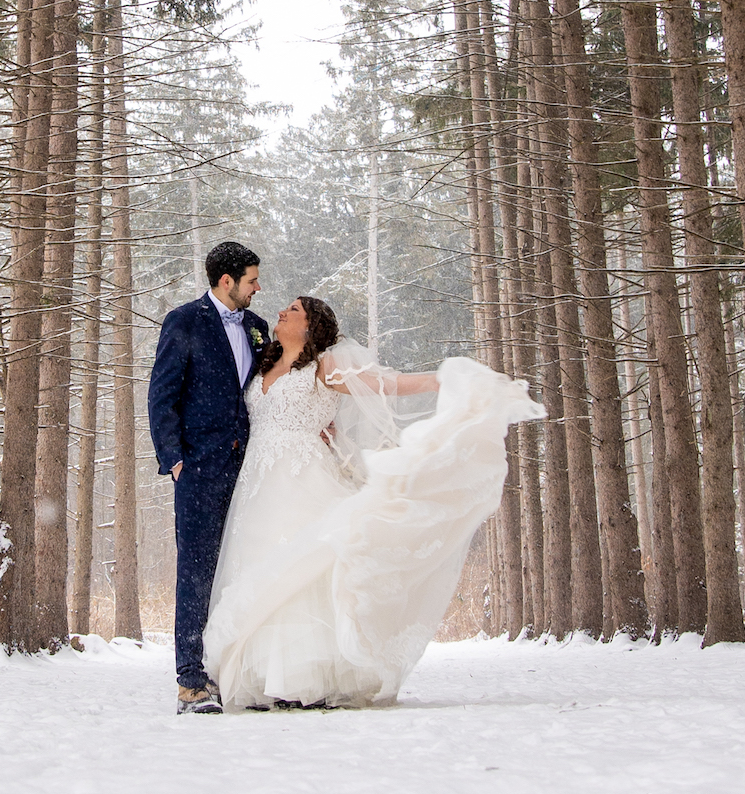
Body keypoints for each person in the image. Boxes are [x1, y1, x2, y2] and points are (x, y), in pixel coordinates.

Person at [203, 295, 544, 711]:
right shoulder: (261, 365)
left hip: (303, 476)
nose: (281, 312)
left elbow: (387, 383)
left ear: (311, 326)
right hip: (257, 482)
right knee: (258, 563)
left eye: (293, 310)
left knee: (305, 567)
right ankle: (262, 676)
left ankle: (309, 677)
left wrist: (442, 380)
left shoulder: (324, 367)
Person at [147, 240, 269, 714]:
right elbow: (162, 396)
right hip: (199, 471)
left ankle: (239, 674)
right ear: (226, 281)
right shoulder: (185, 321)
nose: (258, 288)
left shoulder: (258, 328)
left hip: (253, 470)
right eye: (252, 280)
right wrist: (176, 460)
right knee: (196, 573)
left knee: (243, 569)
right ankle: (192, 682)